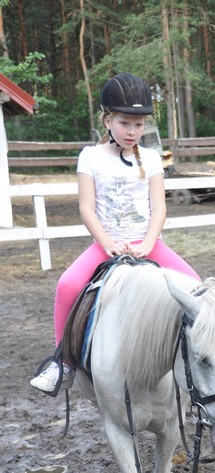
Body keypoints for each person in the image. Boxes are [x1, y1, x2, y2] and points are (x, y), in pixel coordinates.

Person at [31, 72, 200, 394]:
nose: (132, 131)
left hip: (147, 243)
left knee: (196, 286)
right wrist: (107, 243)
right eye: (125, 123)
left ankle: (193, 359)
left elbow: (159, 208)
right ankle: (62, 362)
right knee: (67, 285)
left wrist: (148, 243)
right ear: (108, 121)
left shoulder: (151, 159)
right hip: (106, 244)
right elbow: (86, 209)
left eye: (139, 125)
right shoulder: (90, 157)